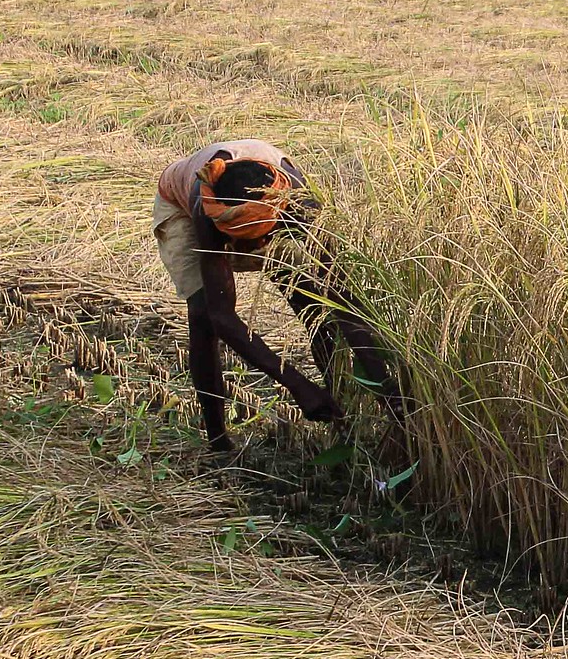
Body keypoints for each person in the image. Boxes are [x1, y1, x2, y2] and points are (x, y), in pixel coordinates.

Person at [153, 139, 404, 452]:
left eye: (259, 241)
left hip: (275, 219)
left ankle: (341, 416)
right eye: (243, 242)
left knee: (316, 307)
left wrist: (391, 396)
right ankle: (218, 443)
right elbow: (223, 317)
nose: (253, 252)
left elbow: (343, 305)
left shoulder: (301, 206)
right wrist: (296, 383)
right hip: (181, 210)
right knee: (203, 316)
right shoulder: (207, 207)